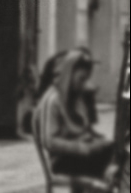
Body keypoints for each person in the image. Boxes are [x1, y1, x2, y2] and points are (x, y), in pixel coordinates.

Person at [37, 49, 115, 179]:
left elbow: (82, 129)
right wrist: (82, 148)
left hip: (80, 154)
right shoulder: (53, 99)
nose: (83, 84)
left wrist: (97, 142)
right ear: (69, 74)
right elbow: (49, 141)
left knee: (116, 151)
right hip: (62, 160)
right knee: (112, 167)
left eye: (86, 79)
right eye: (81, 79)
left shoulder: (76, 97)